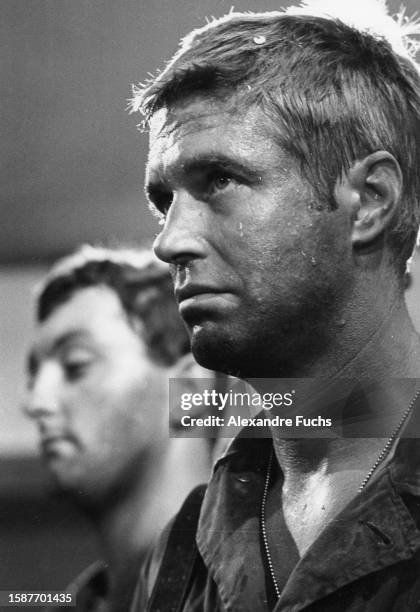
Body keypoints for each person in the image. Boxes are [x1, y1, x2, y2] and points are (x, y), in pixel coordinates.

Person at [129, 1, 420, 610]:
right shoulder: (186, 546)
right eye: (165, 200)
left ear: (370, 200)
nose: (168, 241)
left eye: (219, 180)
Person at [24, 245, 219, 612]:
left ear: (190, 390)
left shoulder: (259, 590)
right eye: (34, 375)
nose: (35, 402)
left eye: (75, 365)